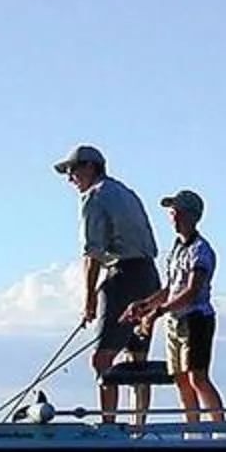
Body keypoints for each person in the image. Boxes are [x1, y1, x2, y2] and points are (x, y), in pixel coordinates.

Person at [55, 142, 161, 421]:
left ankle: (109, 426)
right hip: (149, 276)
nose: (70, 178)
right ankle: (138, 425)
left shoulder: (94, 196)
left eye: (73, 171)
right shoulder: (126, 192)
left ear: (90, 167)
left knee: (102, 359)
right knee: (137, 358)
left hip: (124, 276)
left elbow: (91, 252)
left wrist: (88, 299)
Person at [128, 189, 225, 424]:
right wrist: (145, 304)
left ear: (192, 215)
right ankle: (192, 429)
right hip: (175, 320)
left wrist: (157, 312)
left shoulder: (200, 250)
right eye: (172, 212)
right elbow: (170, 288)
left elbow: (191, 291)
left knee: (197, 377)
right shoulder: (176, 249)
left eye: (178, 211)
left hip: (196, 320)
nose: (174, 216)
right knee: (180, 379)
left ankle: (221, 431)